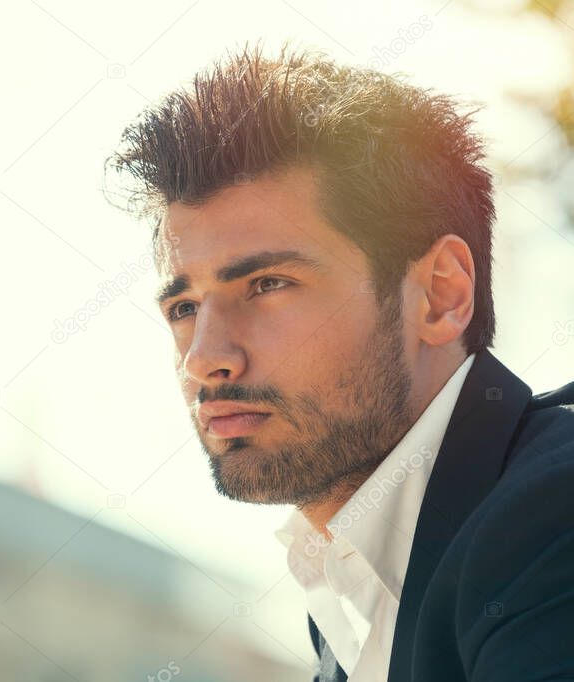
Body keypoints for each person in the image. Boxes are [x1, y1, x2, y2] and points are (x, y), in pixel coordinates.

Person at [106, 42, 574, 681]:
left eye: (268, 285)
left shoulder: (551, 520)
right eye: (184, 307)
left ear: (440, 294)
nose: (205, 359)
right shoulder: (354, 597)